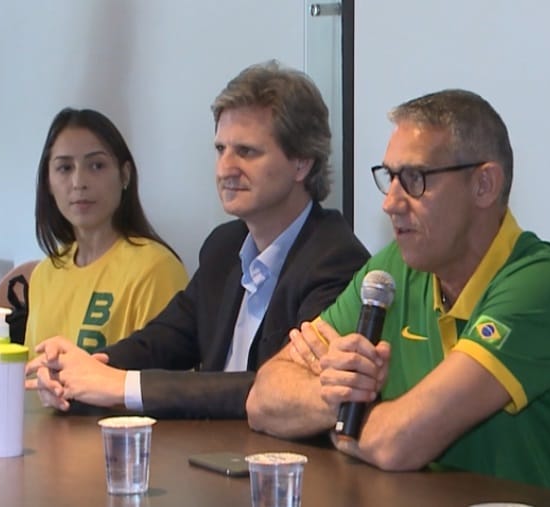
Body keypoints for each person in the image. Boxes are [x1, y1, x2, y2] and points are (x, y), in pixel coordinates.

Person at [246, 89, 550, 506]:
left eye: (415, 179)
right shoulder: (393, 270)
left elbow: (398, 443)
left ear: (484, 184)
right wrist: (334, 395)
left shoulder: (547, 286)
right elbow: (264, 399)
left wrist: (341, 420)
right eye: (389, 177)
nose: (391, 203)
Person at [25, 61, 370, 419]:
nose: (225, 168)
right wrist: (80, 371)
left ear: (302, 163)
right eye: (221, 149)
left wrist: (118, 385)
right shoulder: (224, 247)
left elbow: (273, 390)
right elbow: (163, 341)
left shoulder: (336, 261)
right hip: (213, 461)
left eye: (247, 152)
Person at [25, 108, 189, 355]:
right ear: (48, 181)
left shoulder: (156, 269)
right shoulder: (44, 274)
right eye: (65, 168)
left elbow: (167, 385)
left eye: (97, 165)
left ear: (124, 175)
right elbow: (31, 377)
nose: (79, 182)